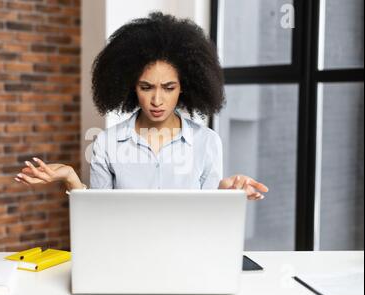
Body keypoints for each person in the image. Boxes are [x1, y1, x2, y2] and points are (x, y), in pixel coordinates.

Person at [15, 12, 269, 200]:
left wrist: (226, 194)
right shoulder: (107, 143)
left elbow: (206, 215)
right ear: (130, 87)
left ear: (185, 87)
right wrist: (71, 177)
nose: (157, 100)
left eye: (168, 88)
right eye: (146, 87)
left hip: (185, 255)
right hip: (125, 254)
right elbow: (100, 215)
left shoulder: (207, 142)